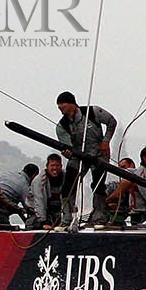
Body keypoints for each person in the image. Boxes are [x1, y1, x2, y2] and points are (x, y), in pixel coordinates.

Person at [56, 91, 117, 223]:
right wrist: (67, 153)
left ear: (72, 104)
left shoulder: (93, 112)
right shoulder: (62, 126)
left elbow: (112, 122)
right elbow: (66, 145)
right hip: (79, 156)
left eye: (63, 107)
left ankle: (99, 216)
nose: (62, 111)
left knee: (98, 184)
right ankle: (67, 217)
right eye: (59, 108)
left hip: (99, 154)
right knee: (68, 184)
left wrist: (106, 141)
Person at [30, 153, 66, 230]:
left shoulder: (65, 177)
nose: (55, 168)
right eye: (52, 165)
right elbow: (39, 202)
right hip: (36, 211)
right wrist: (43, 222)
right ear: (47, 166)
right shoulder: (39, 181)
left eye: (57, 165)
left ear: (61, 166)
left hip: (55, 211)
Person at [102, 157, 140, 226]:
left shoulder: (132, 173)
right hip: (129, 214)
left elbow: (117, 195)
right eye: (120, 169)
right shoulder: (114, 185)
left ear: (132, 165)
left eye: (124, 167)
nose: (122, 171)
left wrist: (104, 203)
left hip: (137, 212)